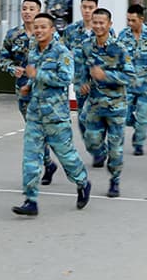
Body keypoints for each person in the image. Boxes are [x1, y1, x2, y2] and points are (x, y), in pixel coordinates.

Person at [11, 13, 93, 216]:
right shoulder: (33, 51)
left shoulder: (61, 52)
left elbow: (66, 78)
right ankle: (30, 200)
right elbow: (33, 74)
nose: (38, 31)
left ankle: (82, 182)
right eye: (36, 27)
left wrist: (37, 75)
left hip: (56, 116)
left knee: (66, 156)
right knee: (30, 156)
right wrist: (28, 86)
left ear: (52, 30)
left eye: (43, 27)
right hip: (35, 114)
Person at [74, 8, 134, 197]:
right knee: (92, 142)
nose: (98, 26)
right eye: (95, 22)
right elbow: (80, 69)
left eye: (102, 23)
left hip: (116, 106)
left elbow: (130, 76)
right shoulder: (85, 46)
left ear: (109, 24)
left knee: (116, 151)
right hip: (94, 104)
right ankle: (102, 151)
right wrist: (82, 83)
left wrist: (105, 75)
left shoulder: (120, 48)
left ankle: (114, 181)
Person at [0, 0, 57, 185]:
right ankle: (47, 164)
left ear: (38, 11)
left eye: (31, 8)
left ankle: (47, 164)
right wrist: (11, 68)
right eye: (24, 8)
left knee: (44, 130)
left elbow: (59, 59)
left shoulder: (49, 35)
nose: (27, 12)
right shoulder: (13, 35)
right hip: (23, 90)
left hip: (45, 91)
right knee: (33, 129)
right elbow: (3, 59)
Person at [63, 0, 107, 159]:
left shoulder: (104, 30)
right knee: (83, 120)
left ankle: (100, 147)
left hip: (100, 85)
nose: (87, 10)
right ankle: (97, 150)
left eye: (91, 7)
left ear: (96, 8)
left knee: (98, 118)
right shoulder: (71, 31)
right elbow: (64, 55)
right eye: (84, 7)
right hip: (80, 83)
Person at [118, 4, 147, 156]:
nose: (130, 24)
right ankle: (134, 123)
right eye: (128, 20)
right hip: (128, 84)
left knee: (143, 116)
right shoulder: (123, 35)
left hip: (146, 84)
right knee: (124, 116)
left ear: (141, 19)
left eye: (133, 20)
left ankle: (138, 142)